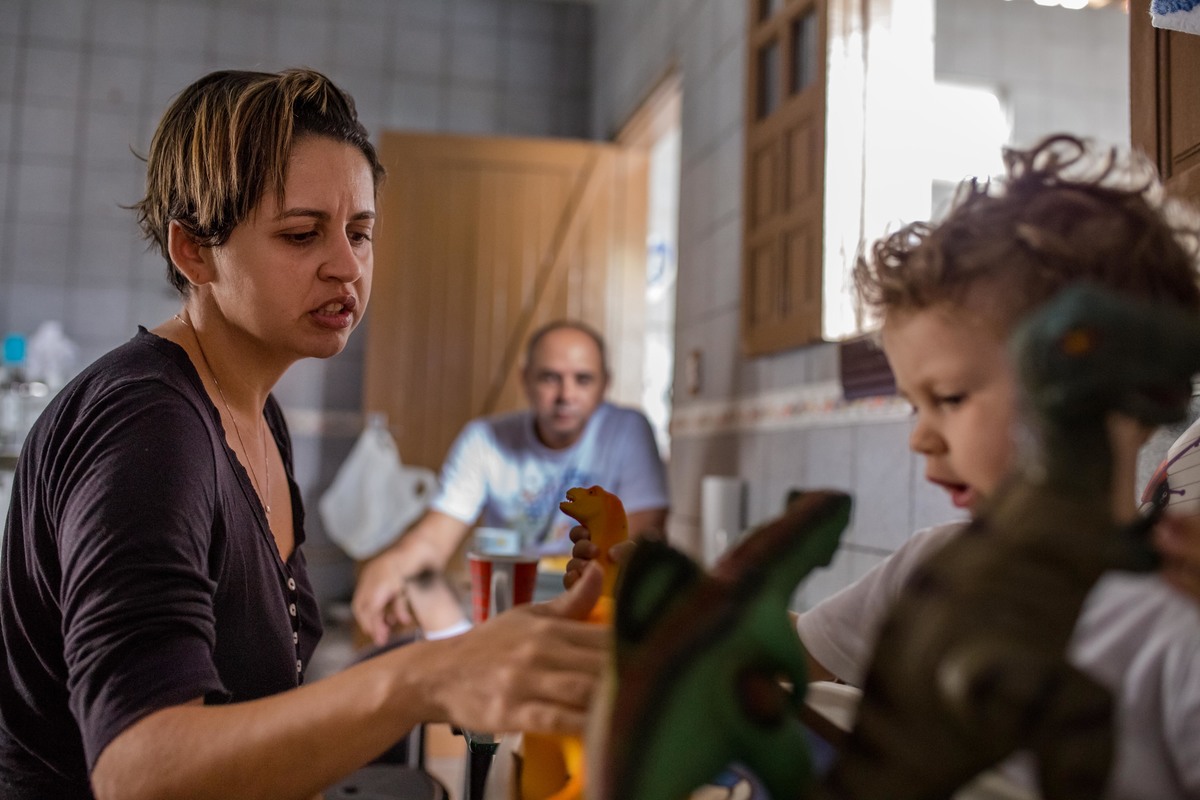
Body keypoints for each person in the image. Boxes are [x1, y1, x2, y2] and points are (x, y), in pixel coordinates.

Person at [0, 68, 608, 800]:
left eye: (361, 233)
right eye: (300, 234)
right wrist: (418, 678)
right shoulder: (147, 430)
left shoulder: (255, 412)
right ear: (193, 251)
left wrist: (503, 652)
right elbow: (139, 771)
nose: (347, 267)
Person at [570, 134, 1200, 799]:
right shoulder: (930, 568)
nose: (921, 439)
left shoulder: (1174, 626)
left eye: (950, 398)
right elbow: (780, 650)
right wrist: (652, 598)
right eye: (913, 405)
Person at [353, 319, 669, 645]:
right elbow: (434, 540)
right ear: (525, 380)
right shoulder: (484, 439)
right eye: (550, 377)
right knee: (421, 582)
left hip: (587, 605)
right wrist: (394, 562)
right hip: (504, 606)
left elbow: (640, 540)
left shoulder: (628, 430)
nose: (566, 394)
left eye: (583, 379)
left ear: (605, 384)